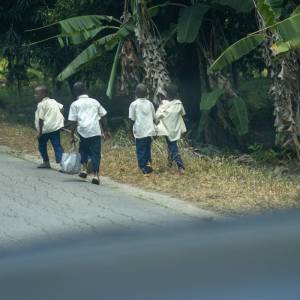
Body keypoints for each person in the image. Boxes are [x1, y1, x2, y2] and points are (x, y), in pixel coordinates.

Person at [68, 82, 109, 185]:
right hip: (95, 131)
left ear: (75, 92)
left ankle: (84, 169)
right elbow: (103, 116)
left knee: (83, 150)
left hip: (83, 131)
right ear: (85, 89)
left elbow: (73, 122)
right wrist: (106, 130)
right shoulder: (95, 102)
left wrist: (72, 135)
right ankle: (96, 176)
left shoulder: (75, 104)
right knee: (96, 153)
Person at [156, 83, 186, 174]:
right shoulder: (179, 104)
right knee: (171, 145)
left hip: (166, 129)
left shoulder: (163, 105)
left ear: (167, 94)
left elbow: (157, 115)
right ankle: (169, 163)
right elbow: (183, 113)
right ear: (176, 94)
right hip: (175, 129)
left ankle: (181, 166)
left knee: (172, 146)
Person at [34, 85, 64, 169]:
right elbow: (62, 108)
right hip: (55, 128)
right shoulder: (53, 101)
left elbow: (41, 119)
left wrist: (39, 132)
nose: (35, 95)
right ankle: (63, 164)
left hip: (45, 129)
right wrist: (59, 119)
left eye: (37, 93)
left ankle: (46, 162)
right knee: (57, 145)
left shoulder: (41, 104)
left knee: (42, 145)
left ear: (43, 94)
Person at [129, 83, 156, 174]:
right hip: (149, 130)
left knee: (140, 149)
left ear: (136, 93)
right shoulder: (150, 103)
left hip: (139, 130)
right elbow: (154, 117)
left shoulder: (134, 104)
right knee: (147, 148)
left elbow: (132, 119)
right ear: (146, 93)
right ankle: (148, 165)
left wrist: (129, 131)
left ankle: (143, 167)